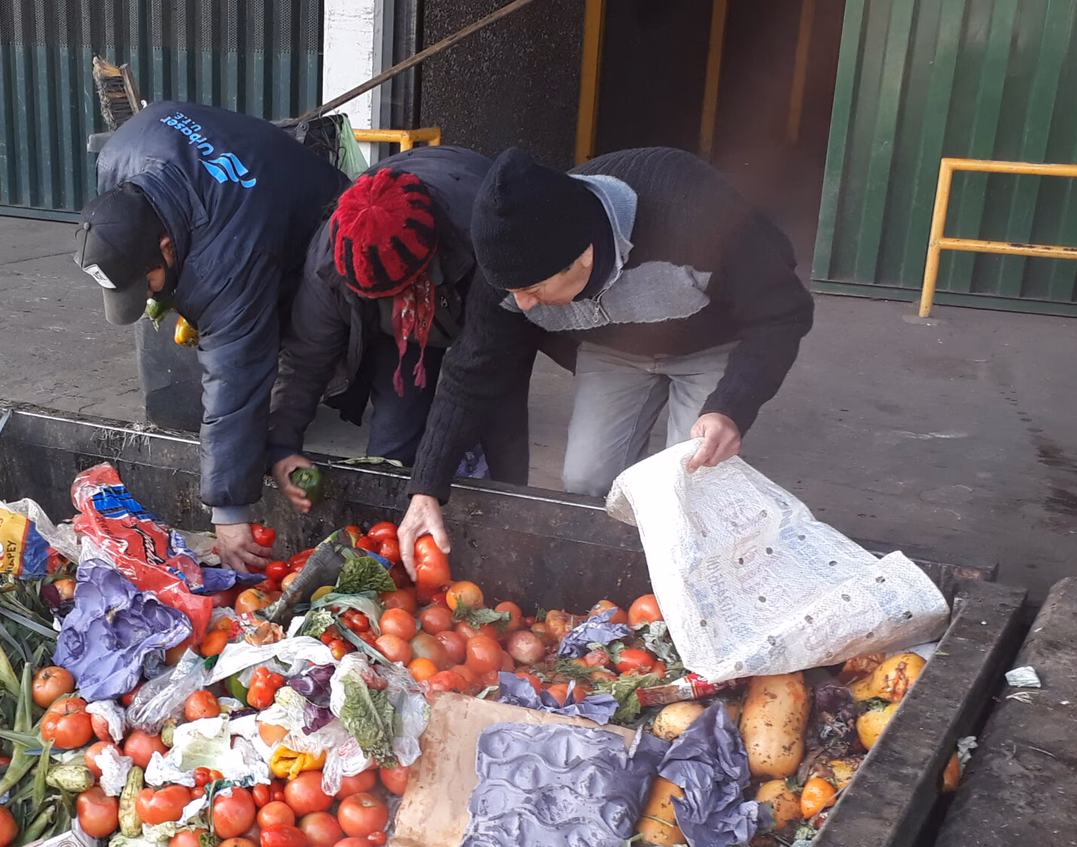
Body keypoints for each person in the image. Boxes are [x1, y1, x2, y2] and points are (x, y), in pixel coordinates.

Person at [398, 145, 812, 571]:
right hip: (615, 349)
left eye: (536, 290)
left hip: (711, 341)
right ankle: (610, 575)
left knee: (689, 492)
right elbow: (471, 370)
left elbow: (782, 312)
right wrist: (427, 486)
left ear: (585, 257)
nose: (522, 306)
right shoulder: (513, 271)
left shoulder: (692, 211)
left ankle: (682, 586)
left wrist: (731, 408)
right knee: (586, 480)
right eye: (514, 291)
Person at [74, 100, 345, 572]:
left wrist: (229, 512)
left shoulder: (227, 254)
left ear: (164, 245)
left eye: (148, 280)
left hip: (321, 221)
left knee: (290, 340)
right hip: (252, 184)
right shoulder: (117, 162)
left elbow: (236, 371)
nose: (151, 294)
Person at [266, 146, 576, 509]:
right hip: (399, 337)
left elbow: (478, 370)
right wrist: (282, 446)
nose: (398, 304)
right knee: (393, 441)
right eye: (382, 297)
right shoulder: (330, 264)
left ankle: (503, 517)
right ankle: (395, 527)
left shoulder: (486, 236)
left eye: (401, 293)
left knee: (498, 420)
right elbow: (304, 360)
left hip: (473, 279)